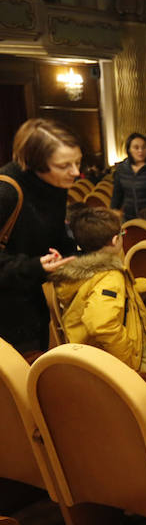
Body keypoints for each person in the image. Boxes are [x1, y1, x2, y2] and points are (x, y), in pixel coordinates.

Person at [49, 207, 146, 393]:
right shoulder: (110, 276)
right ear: (116, 240)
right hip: (125, 354)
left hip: (91, 355)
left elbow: (95, 293)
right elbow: (101, 323)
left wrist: (143, 285)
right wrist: (130, 357)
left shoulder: (83, 272)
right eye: (122, 233)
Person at [0, 119, 80, 353]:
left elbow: (51, 236)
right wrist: (34, 266)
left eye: (77, 161)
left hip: (30, 309)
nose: (75, 172)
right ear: (35, 163)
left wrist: (65, 254)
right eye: (64, 165)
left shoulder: (54, 186)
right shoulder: (6, 192)